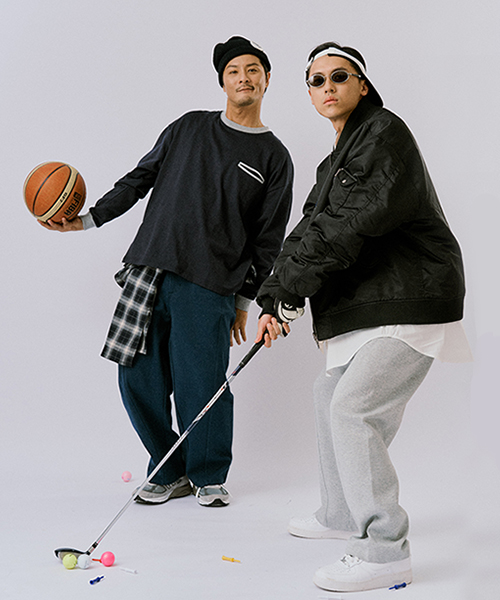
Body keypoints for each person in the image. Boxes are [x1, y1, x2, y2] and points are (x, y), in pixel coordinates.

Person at [41, 36, 293, 508]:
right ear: (222, 82)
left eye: (253, 70)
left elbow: (268, 238)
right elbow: (139, 179)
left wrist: (244, 301)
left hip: (211, 284)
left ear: (266, 80)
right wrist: (88, 219)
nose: (244, 77)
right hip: (149, 268)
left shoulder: (274, 157)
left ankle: (208, 474)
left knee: (203, 385)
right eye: (234, 71)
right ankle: (168, 469)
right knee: (136, 380)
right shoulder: (188, 127)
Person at [256, 42, 471, 592]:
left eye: (340, 76)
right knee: (328, 393)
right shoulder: (335, 160)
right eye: (317, 80)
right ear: (309, 93)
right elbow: (308, 229)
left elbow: (347, 226)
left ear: (363, 85)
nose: (328, 86)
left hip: (413, 296)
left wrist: (293, 291)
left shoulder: (383, 135)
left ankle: (385, 551)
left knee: (354, 410)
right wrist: (273, 295)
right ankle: (340, 513)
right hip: (377, 303)